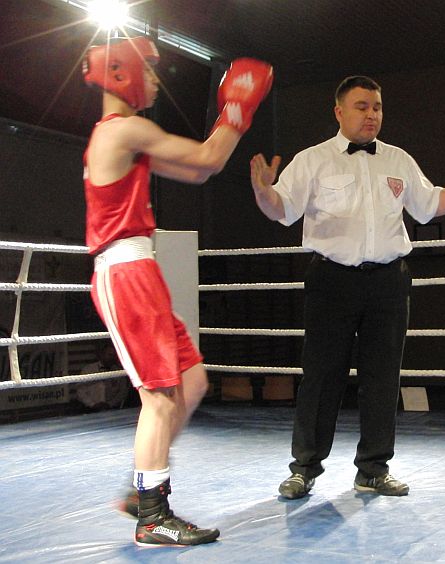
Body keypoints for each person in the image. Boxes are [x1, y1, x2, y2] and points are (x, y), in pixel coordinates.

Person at [249, 75, 445, 499]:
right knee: (321, 377)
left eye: (377, 107)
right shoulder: (312, 160)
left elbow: (430, 205)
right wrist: (262, 191)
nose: (372, 115)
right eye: (362, 106)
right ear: (339, 112)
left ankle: (373, 469)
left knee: (383, 378)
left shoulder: (398, 160)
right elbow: (281, 209)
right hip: (331, 279)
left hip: (388, 281)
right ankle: (304, 468)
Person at [83, 36, 272, 545]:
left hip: (141, 270)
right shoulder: (124, 130)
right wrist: (237, 109)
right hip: (125, 272)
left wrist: (231, 119)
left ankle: (141, 487)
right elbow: (210, 154)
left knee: (191, 382)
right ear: (121, 72)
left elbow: (202, 169)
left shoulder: (127, 138)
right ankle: (152, 515)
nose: (153, 80)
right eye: (147, 69)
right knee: (161, 397)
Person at [76, 341, 129, 411]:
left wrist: (110, 404)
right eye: (109, 355)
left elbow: (122, 392)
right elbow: (80, 390)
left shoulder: (119, 372)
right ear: (102, 355)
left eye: (114, 355)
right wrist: (92, 404)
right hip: (89, 409)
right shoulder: (88, 369)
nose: (112, 358)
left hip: (112, 409)